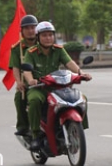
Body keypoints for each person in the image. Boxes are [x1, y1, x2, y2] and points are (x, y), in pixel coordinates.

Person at [22, 21, 91, 151]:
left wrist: (81, 73)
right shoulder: (31, 52)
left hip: (58, 87)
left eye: (50, 35)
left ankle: (78, 128)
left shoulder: (59, 50)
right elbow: (27, 71)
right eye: (44, 35)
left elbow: (70, 63)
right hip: (39, 88)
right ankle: (36, 134)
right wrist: (31, 80)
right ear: (38, 37)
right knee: (34, 101)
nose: (48, 38)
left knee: (82, 98)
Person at [9, 14, 39, 136]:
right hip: (28, 82)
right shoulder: (17, 48)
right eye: (27, 28)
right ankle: (23, 125)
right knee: (19, 98)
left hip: (46, 79)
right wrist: (19, 82)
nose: (31, 31)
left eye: (33, 27)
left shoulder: (44, 41)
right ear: (22, 30)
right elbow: (15, 67)